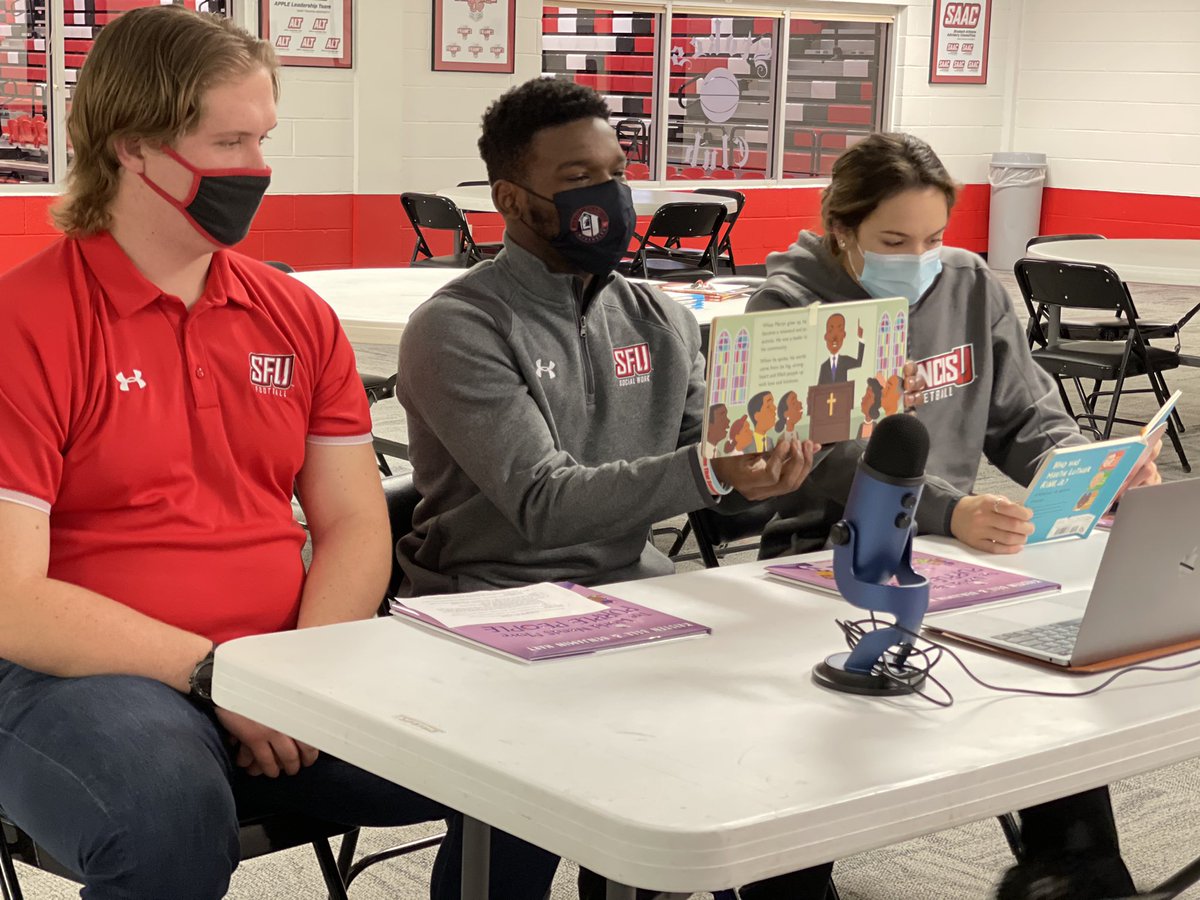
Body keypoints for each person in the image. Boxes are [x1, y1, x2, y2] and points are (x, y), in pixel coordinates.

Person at [0, 9, 543, 899]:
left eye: (263, 139)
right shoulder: (25, 322)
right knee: (165, 818)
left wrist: (295, 675)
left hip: (281, 655)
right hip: (71, 674)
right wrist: (222, 674)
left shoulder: (296, 317)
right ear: (132, 148)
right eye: (229, 142)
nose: (256, 170)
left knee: (529, 764)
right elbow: (10, 598)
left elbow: (354, 524)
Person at [395, 77, 828, 899]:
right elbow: (542, 504)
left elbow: (719, 491)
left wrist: (767, 477)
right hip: (494, 605)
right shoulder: (459, 327)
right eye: (577, 180)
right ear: (511, 199)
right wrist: (709, 469)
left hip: (635, 598)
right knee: (531, 808)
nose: (610, 196)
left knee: (771, 748)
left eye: (618, 172)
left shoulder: (662, 318)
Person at [748, 131, 1159, 899]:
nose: (920, 255)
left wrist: (1087, 472)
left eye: (934, 237)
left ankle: (1073, 867)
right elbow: (825, 457)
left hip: (960, 553)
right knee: (805, 749)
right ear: (842, 229)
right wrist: (947, 507)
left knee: (1049, 677)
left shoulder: (970, 284)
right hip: (823, 554)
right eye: (894, 240)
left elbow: (1025, 416)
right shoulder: (791, 305)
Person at [816, 312, 864, 384]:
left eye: (840, 330)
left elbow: (858, 363)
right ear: (825, 336)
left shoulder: (845, 360)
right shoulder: (824, 366)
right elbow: (819, 387)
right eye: (830, 331)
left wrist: (860, 339)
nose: (835, 337)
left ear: (844, 335)